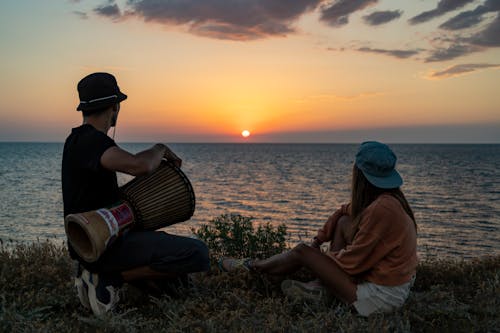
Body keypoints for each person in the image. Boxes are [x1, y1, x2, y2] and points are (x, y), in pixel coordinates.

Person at [62, 72, 210, 316]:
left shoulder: (75, 140)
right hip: (104, 247)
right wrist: (160, 148)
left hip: (87, 246)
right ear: (114, 107)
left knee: (176, 284)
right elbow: (139, 166)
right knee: (198, 253)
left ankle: (94, 274)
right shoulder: (93, 142)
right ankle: (108, 278)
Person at [220, 141, 417, 316]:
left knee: (301, 251)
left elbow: (353, 262)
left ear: (359, 174)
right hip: (393, 289)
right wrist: (319, 240)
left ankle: (252, 266)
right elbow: (345, 211)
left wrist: (315, 259)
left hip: (378, 299)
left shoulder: (382, 210)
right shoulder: (387, 201)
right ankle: (320, 287)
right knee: (343, 222)